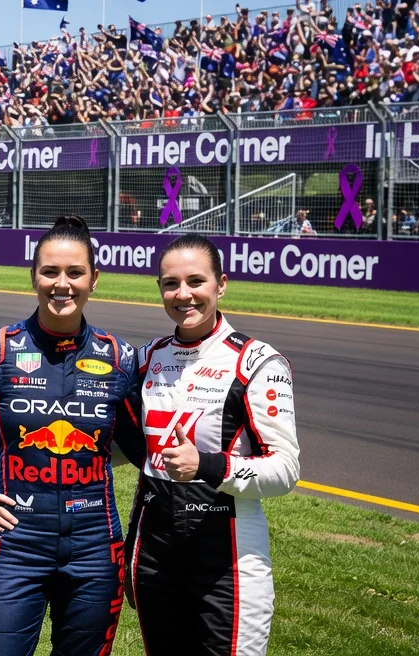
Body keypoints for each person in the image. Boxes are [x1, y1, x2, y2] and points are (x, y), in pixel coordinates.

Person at [0, 215, 141, 656]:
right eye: (50, 272)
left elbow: (143, 451)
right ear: (33, 276)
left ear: (94, 279)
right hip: (16, 546)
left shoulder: (120, 357)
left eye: (75, 273)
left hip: (96, 548)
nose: (62, 284)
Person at [122, 233, 300, 656]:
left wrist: (207, 464)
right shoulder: (146, 358)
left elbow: (285, 470)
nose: (183, 294)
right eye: (170, 283)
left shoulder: (257, 361)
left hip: (228, 554)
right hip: (155, 550)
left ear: (221, 285)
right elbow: (124, 443)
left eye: (196, 281)